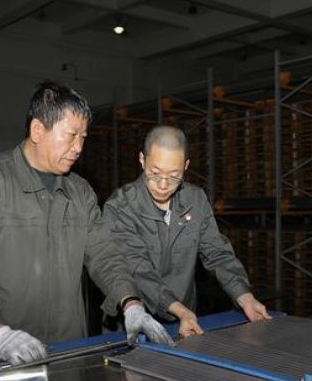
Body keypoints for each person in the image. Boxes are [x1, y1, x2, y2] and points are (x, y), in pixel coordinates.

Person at [0, 81, 173, 365]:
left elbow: (104, 255)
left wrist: (131, 303)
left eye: (84, 137)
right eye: (71, 135)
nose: (79, 148)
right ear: (37, 130)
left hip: (66, 350)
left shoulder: (80, 192)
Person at [103, 125, 271, 338]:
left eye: (174, 176)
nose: (163, 185)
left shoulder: (196, 200)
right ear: (142, 160)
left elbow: (217, 252)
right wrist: (179, 310)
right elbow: (137, 270)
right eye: (155, 173)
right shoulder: (120, 207)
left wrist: (244, 296)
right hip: (132, 319)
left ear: (186, 166)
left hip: (183, 318)